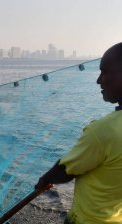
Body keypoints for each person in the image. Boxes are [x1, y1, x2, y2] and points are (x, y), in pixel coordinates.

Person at [35, 42, 122, 224]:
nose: (99, 80)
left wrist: (44, 181)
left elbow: (66, 169)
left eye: (105, 72)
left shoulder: (104, 131)